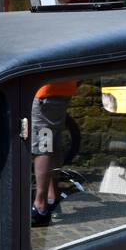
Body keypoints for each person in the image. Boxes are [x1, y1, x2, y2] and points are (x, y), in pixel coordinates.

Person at [31, 77, 77, 224]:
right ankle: (53, 197)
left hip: (45, 92)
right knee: (53, 143)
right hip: (65, 89)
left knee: (44, 147)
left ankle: (40, 205)